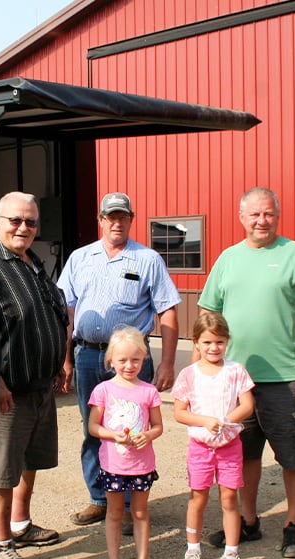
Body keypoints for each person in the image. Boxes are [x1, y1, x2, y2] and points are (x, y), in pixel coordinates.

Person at [197, 186, 295, 559]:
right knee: (244, 455)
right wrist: (204, 366)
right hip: (236, 381)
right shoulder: (228, 259)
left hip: (287, 377)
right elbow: (209, 315)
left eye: (269, 213)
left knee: (293, 455)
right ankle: (249, 519)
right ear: (241, 217)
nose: (262, 220)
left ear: (278, 215)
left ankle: (293, 524)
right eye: (254, 214)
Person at [58, 192, 181, 534]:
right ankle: (101, 499)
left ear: (131, 219)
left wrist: (169, 362)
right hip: (87, 355)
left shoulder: (147, 259)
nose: (116, 222)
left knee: (133, 429)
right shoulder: (80, 258)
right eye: (110, 216)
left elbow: (168, 309)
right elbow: (66, 310)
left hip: (131, 362)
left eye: (122, 216)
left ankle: (129, 504)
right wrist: (65, 358)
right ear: (100, 220)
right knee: (93, 428)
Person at [0, 192, 68, 559]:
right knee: (2, 472)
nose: (23, 228)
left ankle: (20, 525)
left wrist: (62, 360)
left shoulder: (32, 262)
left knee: (32, 460)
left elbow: (52, 314)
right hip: (9, 391)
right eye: (15, 221)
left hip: (41, 385)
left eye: (30, 222)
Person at [171, 312, 255, 559]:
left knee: (229, 497)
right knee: (198, 497)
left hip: (230, 445)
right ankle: (192, 551)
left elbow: (247, 405)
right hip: (200, 446)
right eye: (207, 343)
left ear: (227, 342)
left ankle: (231, 554)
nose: (213, 348)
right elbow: (180, 412)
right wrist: (204, 421)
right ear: (196, 342)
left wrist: (227, 420)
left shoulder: (235, 371)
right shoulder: (189, 375)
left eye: (219, 342)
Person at [86, 326, 164, 559]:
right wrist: (112, 435)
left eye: (136, 359)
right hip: (113, 465)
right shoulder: (103, 391)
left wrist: (148, 436)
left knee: (141, 513)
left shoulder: (148, 391)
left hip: (142, 465)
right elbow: (93, 427)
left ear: (144, 359)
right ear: (111, 361)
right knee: (115, 513)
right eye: (122, 360)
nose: (129, 365)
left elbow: (158, 426)